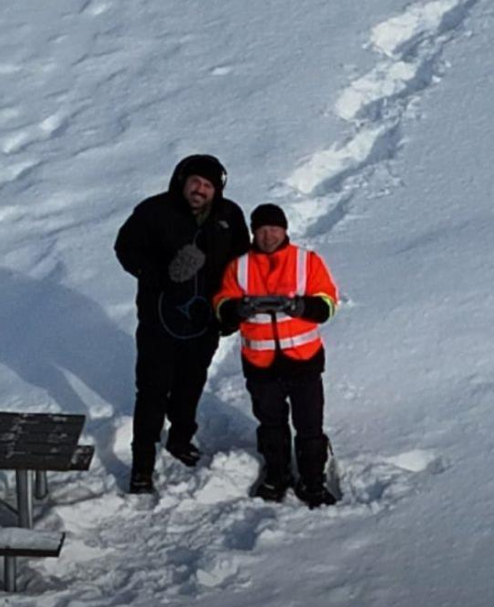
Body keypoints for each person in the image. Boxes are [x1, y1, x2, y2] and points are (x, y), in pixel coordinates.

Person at [114, 154, 250, 494]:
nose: (200, 190)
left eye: (207, 186)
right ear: (181, 180)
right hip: (159, 320)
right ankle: (142, 467)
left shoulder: (229, 215)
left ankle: (179, 439)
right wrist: (160, 273)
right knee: (152, 392)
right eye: (195, 182)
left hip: (204, 320)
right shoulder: (154, 211)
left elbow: (241, 262)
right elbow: (125, 248)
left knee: (190, 385)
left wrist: (231, 308)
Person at [214, 204, 340, 507]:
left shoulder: (306, 261)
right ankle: (277, 476)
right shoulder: (239, 266)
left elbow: (328, 302)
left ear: (285, 230)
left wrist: (302, 307)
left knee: (309, 425)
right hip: (261, 364)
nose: (268, 235)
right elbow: (221, 304)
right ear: (253, 232)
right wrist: (237, 309)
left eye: (274, 228)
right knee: (271, 425)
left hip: (303, 361)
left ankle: (312, 482)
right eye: (261, 229)